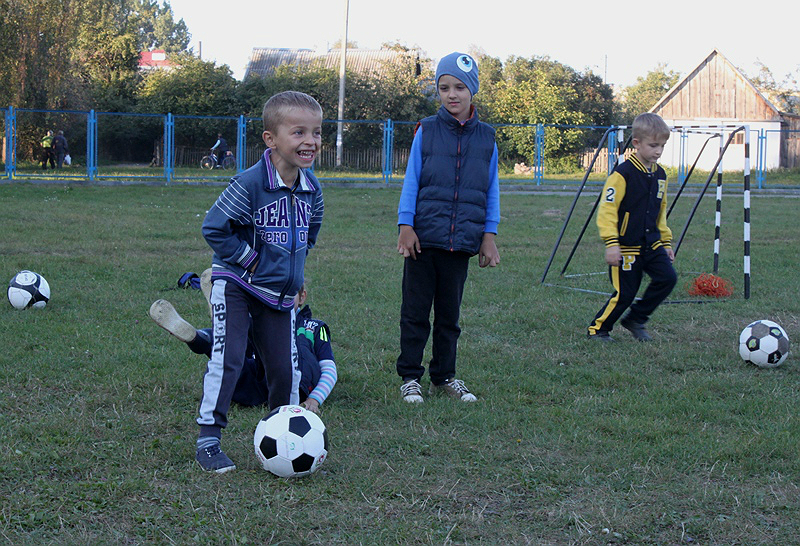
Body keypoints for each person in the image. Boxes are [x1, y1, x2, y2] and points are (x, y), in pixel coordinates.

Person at [196, 90, 324, 473]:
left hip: (280, 294)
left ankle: (285, 437)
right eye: (298, 132)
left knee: (287, 369)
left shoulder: (312, 190)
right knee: (229, 359)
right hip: (236, 283)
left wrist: (295, 275)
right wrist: (252, 263)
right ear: (271, 139)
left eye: (316, 132)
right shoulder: (249, 183)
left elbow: (309, 234)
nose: (310, 141)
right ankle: (208, 440)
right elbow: (214, 229)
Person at [395, 52, 501, 404]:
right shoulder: (425, 130)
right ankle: (410, 377)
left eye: (458, 87)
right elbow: (411, 181)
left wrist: (489, 235)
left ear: (472, 90)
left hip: (462, 242)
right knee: (414, 312)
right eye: (443, 87)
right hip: (423, 239)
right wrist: (406, 225)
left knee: (449, 317)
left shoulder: (487, 138)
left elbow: (491, 189)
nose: (451, 94)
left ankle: (444, 376)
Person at [149, 283, 337, 414]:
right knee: (232, 354)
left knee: (253, 339)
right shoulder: (259, 325)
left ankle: (223, 315)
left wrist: (314, 399)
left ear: (302, 296)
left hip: (296, 380)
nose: (277, 299)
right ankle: (198, 337)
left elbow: (329, 370)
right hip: (258, 381)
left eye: (286, 294)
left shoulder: (314, 326)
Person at [587, 113, 677, 342]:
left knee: (668, 278)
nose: (658, 151)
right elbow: (607, 210)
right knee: (625, 294)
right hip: (626, 247)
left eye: (662, 146)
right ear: (636, 144)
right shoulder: (622, 174)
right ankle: (598, 329)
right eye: (653, 145)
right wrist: (612, 244)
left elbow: (661, 211)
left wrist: (665, 242)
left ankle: (636, 319)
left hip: (652, 243)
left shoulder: (661, 175)